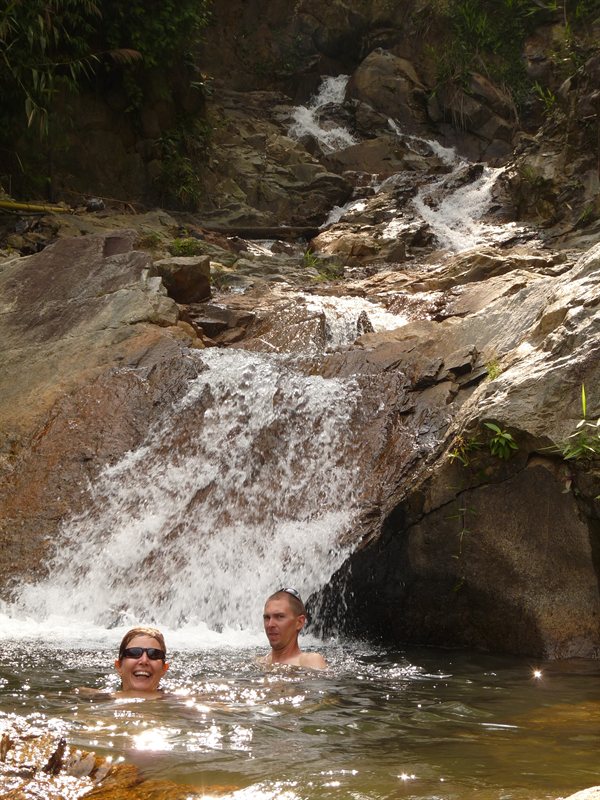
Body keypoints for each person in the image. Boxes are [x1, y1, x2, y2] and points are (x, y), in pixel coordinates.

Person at [261, 588, 327, 670]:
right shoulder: (260, 662)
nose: (270, 624)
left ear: (299, 622)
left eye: (279, 617)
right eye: (267, 617)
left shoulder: (309, 661)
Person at [114, 625, 169, 697]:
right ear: (118, 666)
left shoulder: (180, 701)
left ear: (164, 668)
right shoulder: (100, 699)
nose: (144, 661)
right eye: (134, 653)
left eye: (154, 654)